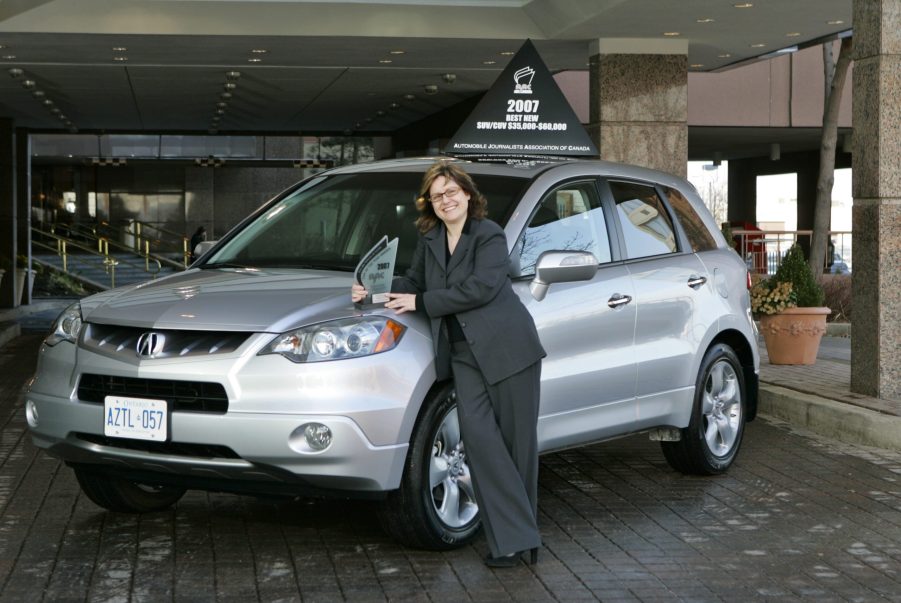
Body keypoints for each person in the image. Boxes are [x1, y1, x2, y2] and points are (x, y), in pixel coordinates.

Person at [351, 160, 545, 568]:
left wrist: (421, 303)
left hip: (508, 350)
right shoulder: (430, 241)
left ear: (467, 194)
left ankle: (517, 543)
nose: (445, 200)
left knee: (516, 448)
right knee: (481, 445)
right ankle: (520, 536)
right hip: (463, 356)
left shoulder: (488, 235)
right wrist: (373, 289)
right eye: (437, 196)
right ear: (430, 204)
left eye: (451, 192)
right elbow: (413, 284)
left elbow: (482, 288)